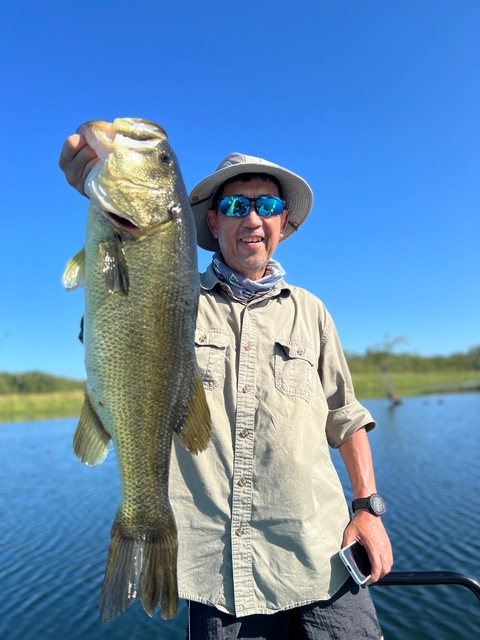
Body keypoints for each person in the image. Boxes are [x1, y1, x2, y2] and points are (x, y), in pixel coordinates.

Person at [59, 135, 393, 640]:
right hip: (220, 578)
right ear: (212, 223)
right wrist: (104, 195)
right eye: (235, 205)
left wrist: (367, 508)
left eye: (268, 205)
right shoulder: (175, 293)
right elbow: (112, 325)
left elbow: (345, 415)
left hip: (321, 560)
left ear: (282, 222)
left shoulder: (312, 311)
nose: (252, 218)